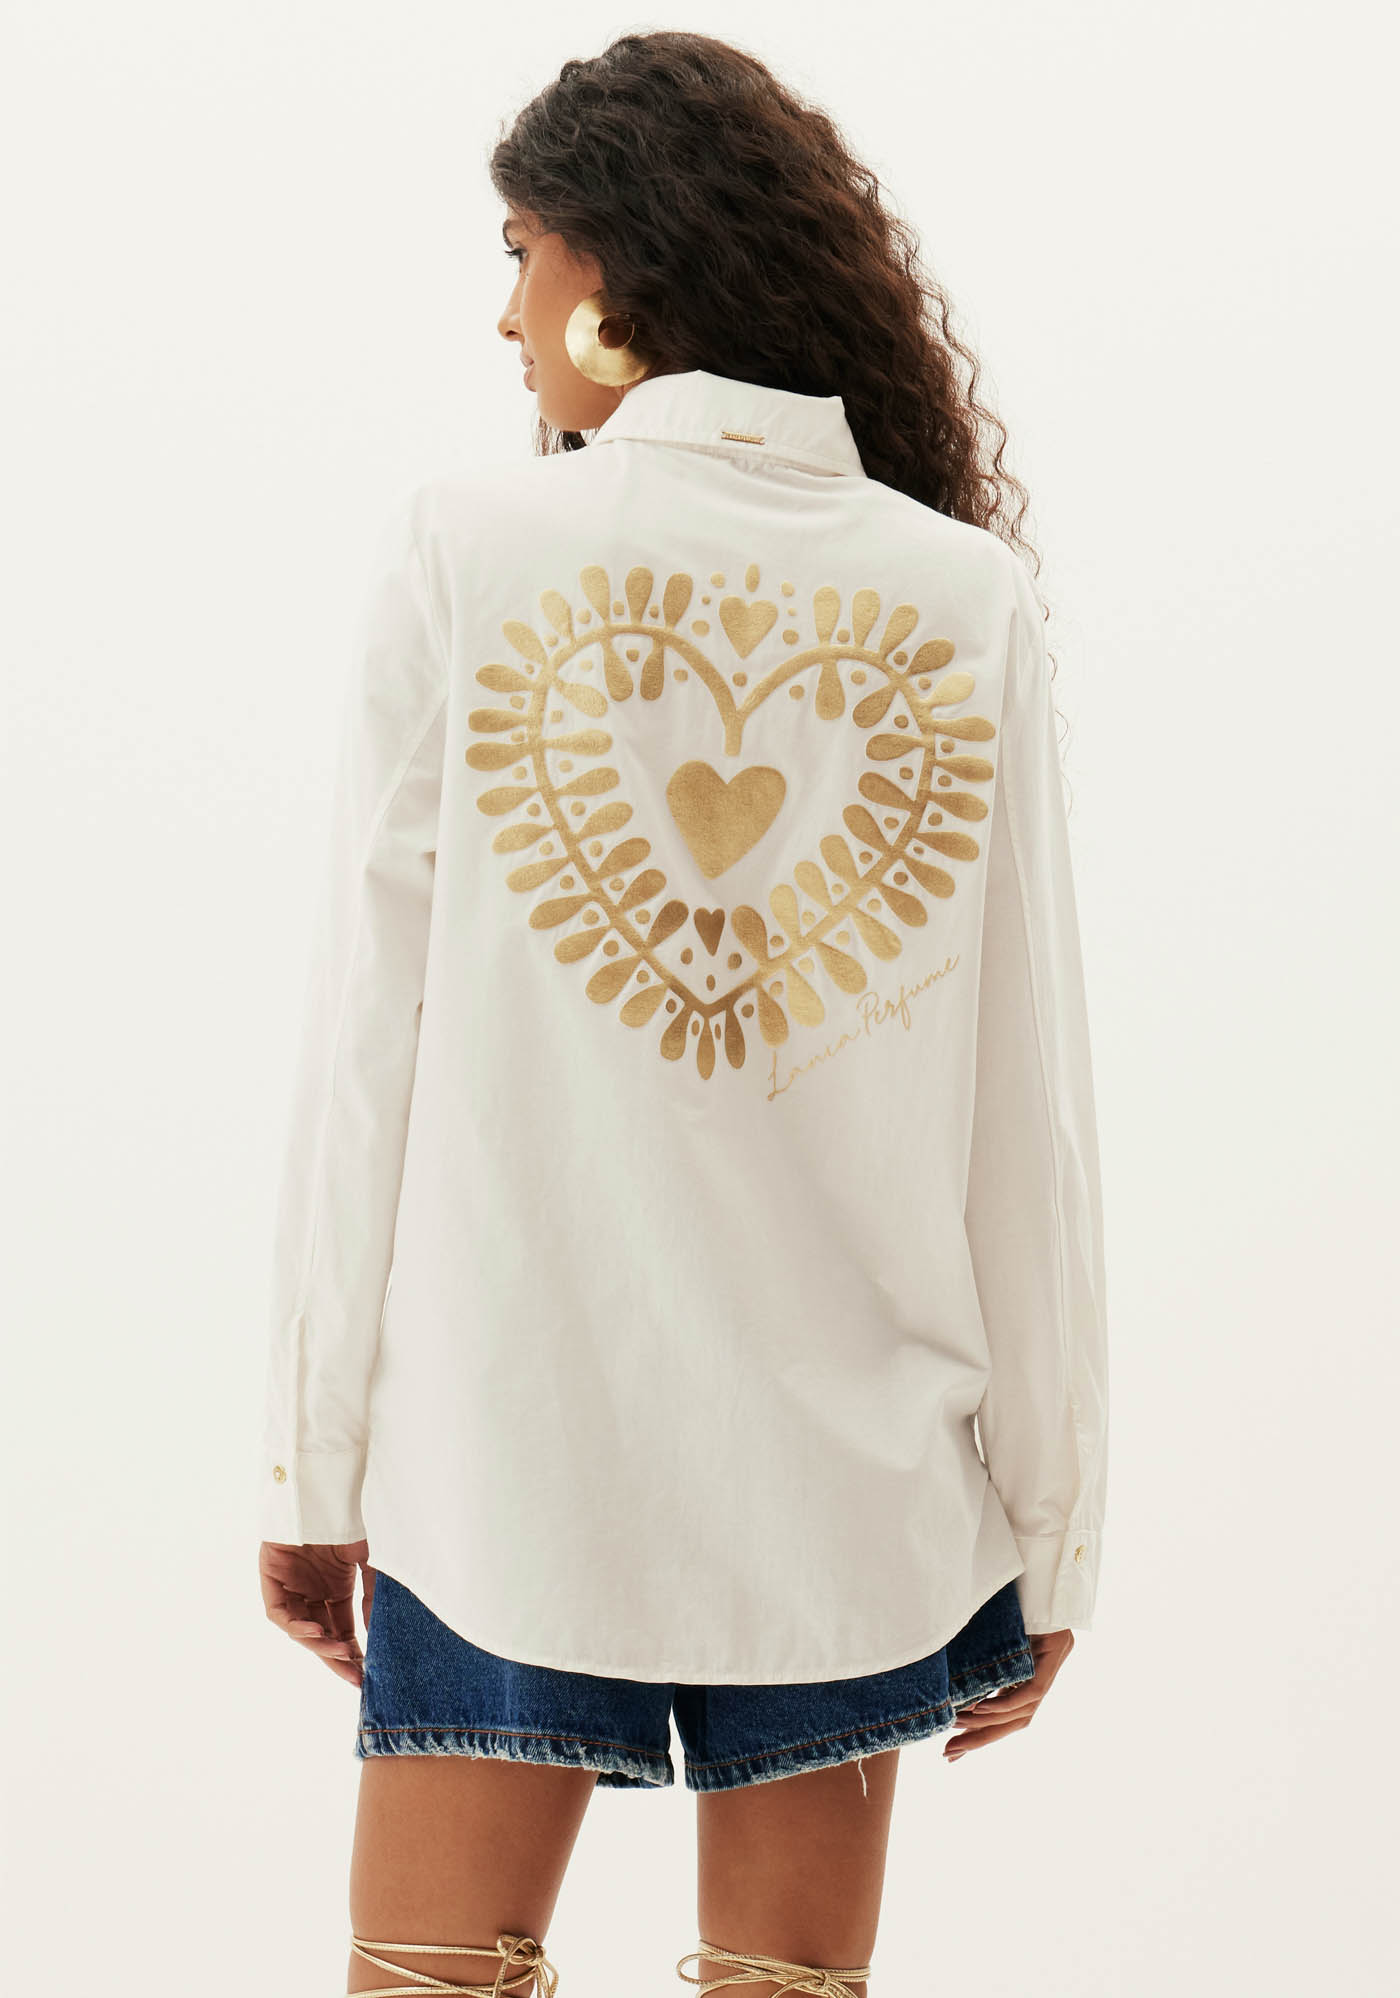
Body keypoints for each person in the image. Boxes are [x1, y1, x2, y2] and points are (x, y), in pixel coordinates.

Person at [254, 30, 1108, 1998]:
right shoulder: (958, 596)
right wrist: (1052, 1528)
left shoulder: (466, 550)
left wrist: (311, 1464)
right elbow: (1029, 1120)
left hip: (506, 1456)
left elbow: (366, 1047)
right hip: (849, 1491)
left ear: (618, 269)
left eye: (520, 255)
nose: (505, 317)